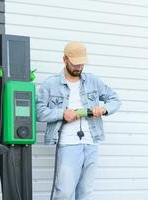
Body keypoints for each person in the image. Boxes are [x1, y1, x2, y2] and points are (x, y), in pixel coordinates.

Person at [36, 41, 121, 200]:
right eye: (75, 63)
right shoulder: (50, 84)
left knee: (85, 194)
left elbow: (115, 100)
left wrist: (103, 109)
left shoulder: (93, 81)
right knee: (64, 193)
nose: (79, 67)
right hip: (68, 144)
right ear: (64, 59)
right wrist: (62, 113)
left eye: (82, 63)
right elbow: (39, 112)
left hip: (91, 143)